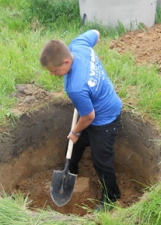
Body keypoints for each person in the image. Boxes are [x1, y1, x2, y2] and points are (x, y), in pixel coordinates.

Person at [39, 29, 122, 212]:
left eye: (54, 70)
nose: (52, 74)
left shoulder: (76, 87)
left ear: (66, 62)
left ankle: (111, 196)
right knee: (75, 144)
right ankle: (70, 171)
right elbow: (96, 32)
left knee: (101, 160)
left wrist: (75, 131)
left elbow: (89, 117)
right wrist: (75, 135)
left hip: (105, 118)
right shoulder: (78, 45)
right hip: (94, 108)